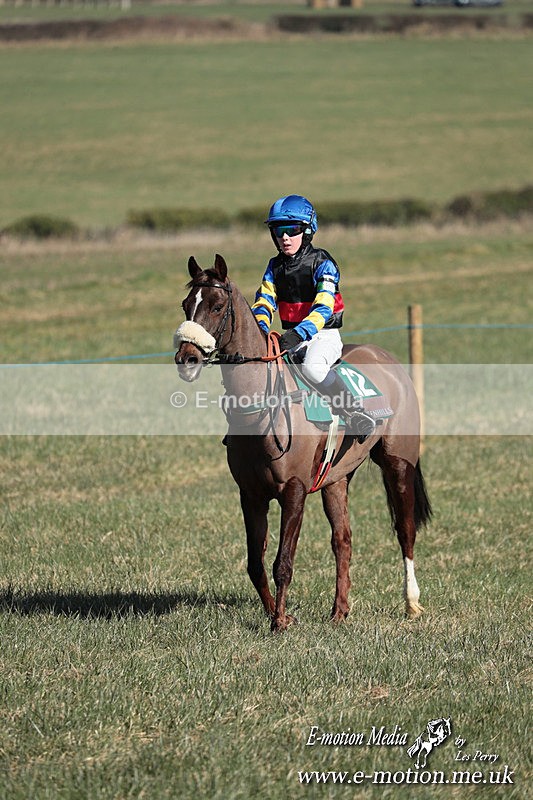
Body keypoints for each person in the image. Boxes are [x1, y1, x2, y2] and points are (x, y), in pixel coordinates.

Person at [251, 194, 375, 439]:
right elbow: (264, 300)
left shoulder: (323, 262)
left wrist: (298, 334)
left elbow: (323, 307)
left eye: (292, 230)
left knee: (313, 368)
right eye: (278, 231)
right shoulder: (273, 266)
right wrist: (261, 330)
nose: (284, 237)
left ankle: (356, 413)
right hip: (290, 337)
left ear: (307, 231)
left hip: (322, 336)